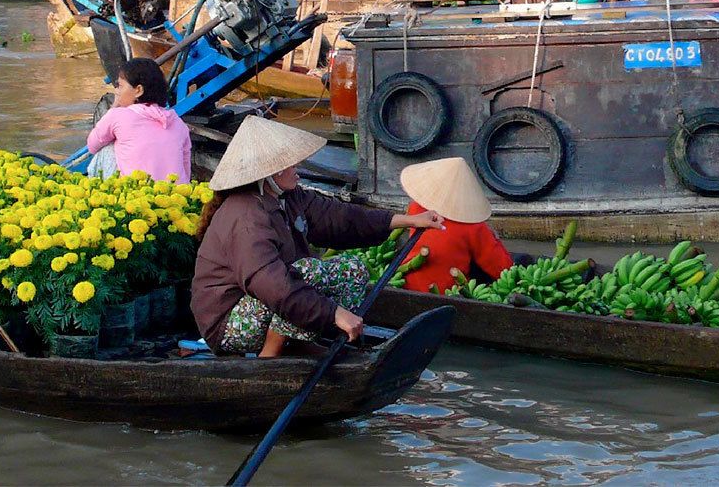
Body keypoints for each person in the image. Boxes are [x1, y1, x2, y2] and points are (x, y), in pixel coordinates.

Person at [191, 116, 440, 356]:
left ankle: (298, 341)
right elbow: (272, 285)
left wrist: (406, 220)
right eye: (290, 164)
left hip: (271, 303)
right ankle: (271, 353)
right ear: (271, 173)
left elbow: (340, 218)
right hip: (229, 323)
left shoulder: (288, 197)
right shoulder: (245, 216)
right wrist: (334, 313)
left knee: (354, 269)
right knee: (306, 271)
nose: (297, 167)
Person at [394, 156, 515, 295]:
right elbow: (502, 269)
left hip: (408, 287)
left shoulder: (415, 209)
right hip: (449, 293)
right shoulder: (474, 226)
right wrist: (493, 238)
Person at [85, 57, 190, 183]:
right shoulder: (178, 123)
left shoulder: (118, 115)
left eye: (120, 86)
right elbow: (186, 170)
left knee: (107, 148)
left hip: (137, 196)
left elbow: (92, 145)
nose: (117, 92)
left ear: (138, 90)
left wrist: (114, 106)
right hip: (175, 196)